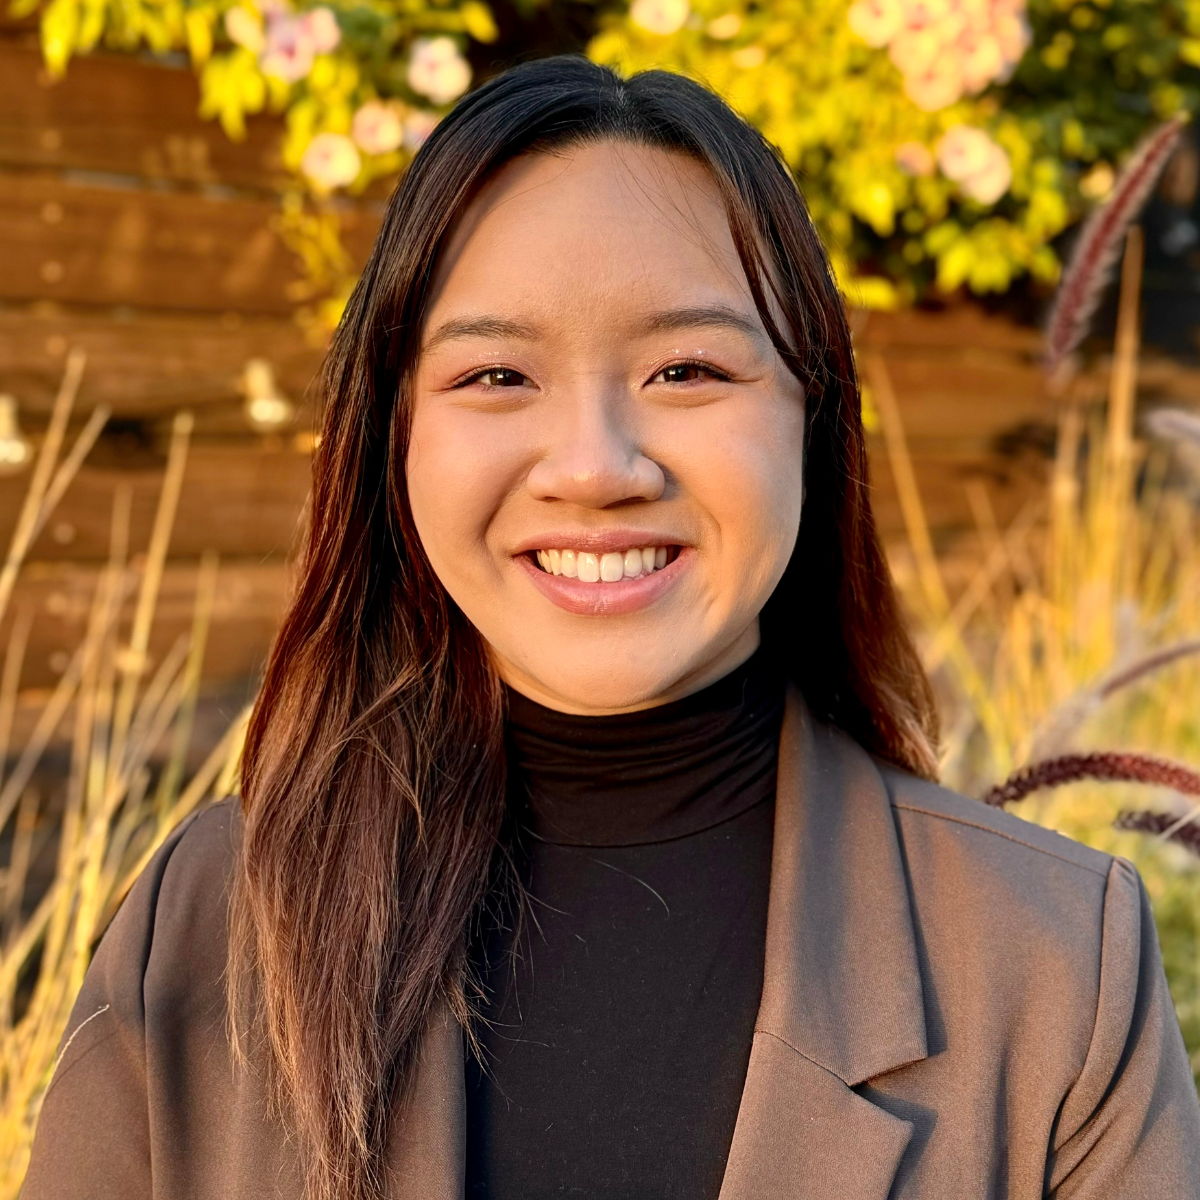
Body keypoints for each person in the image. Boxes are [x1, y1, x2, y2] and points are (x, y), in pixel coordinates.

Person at [20, 53, 1200, 1200]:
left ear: (813, 420)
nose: (595, 468)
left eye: (686, 371)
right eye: (496, 376)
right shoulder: (208, 924)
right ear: (395, 435)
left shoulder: (1052, 962)